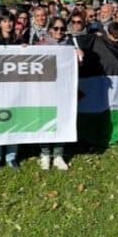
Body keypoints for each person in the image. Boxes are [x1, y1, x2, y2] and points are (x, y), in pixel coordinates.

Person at [0, 13, 21, 170]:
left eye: (10, 21)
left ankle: (11, 156)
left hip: (13, 87)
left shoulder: (19, 41)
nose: (8, 24)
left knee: (13, 120)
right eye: (5, 21)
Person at [38, 19, 71, 170]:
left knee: (62, 121)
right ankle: (45, 154)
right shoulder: (41, 44)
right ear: (50, 29)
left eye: (62, 29)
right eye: (56, 28)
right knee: (46, 120)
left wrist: (78, 53)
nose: (59, 32)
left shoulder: (70, 45)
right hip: (46, 89)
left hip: (63, 89)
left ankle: (58, 155)